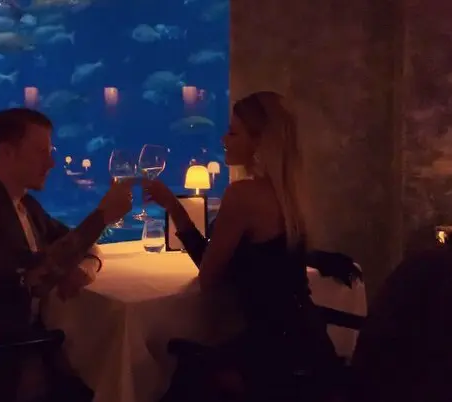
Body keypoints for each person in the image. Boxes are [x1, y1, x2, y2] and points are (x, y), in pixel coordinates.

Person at [144, 91, 340, 401]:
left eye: (234, 132)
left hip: (272, 358)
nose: (224, 139)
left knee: (170, 365)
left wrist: (174, 208)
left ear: (259, 142)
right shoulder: (292, 194)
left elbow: (209, 276)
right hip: (310, 345)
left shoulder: (242, 195)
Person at [0, 108, 134, 402]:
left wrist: (84, 268)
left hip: (23, 346)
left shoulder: (27, 207)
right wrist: (101, 217)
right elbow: (37, 276)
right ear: (7, 152)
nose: (51, 162)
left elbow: (78, 245)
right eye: (41, 152)